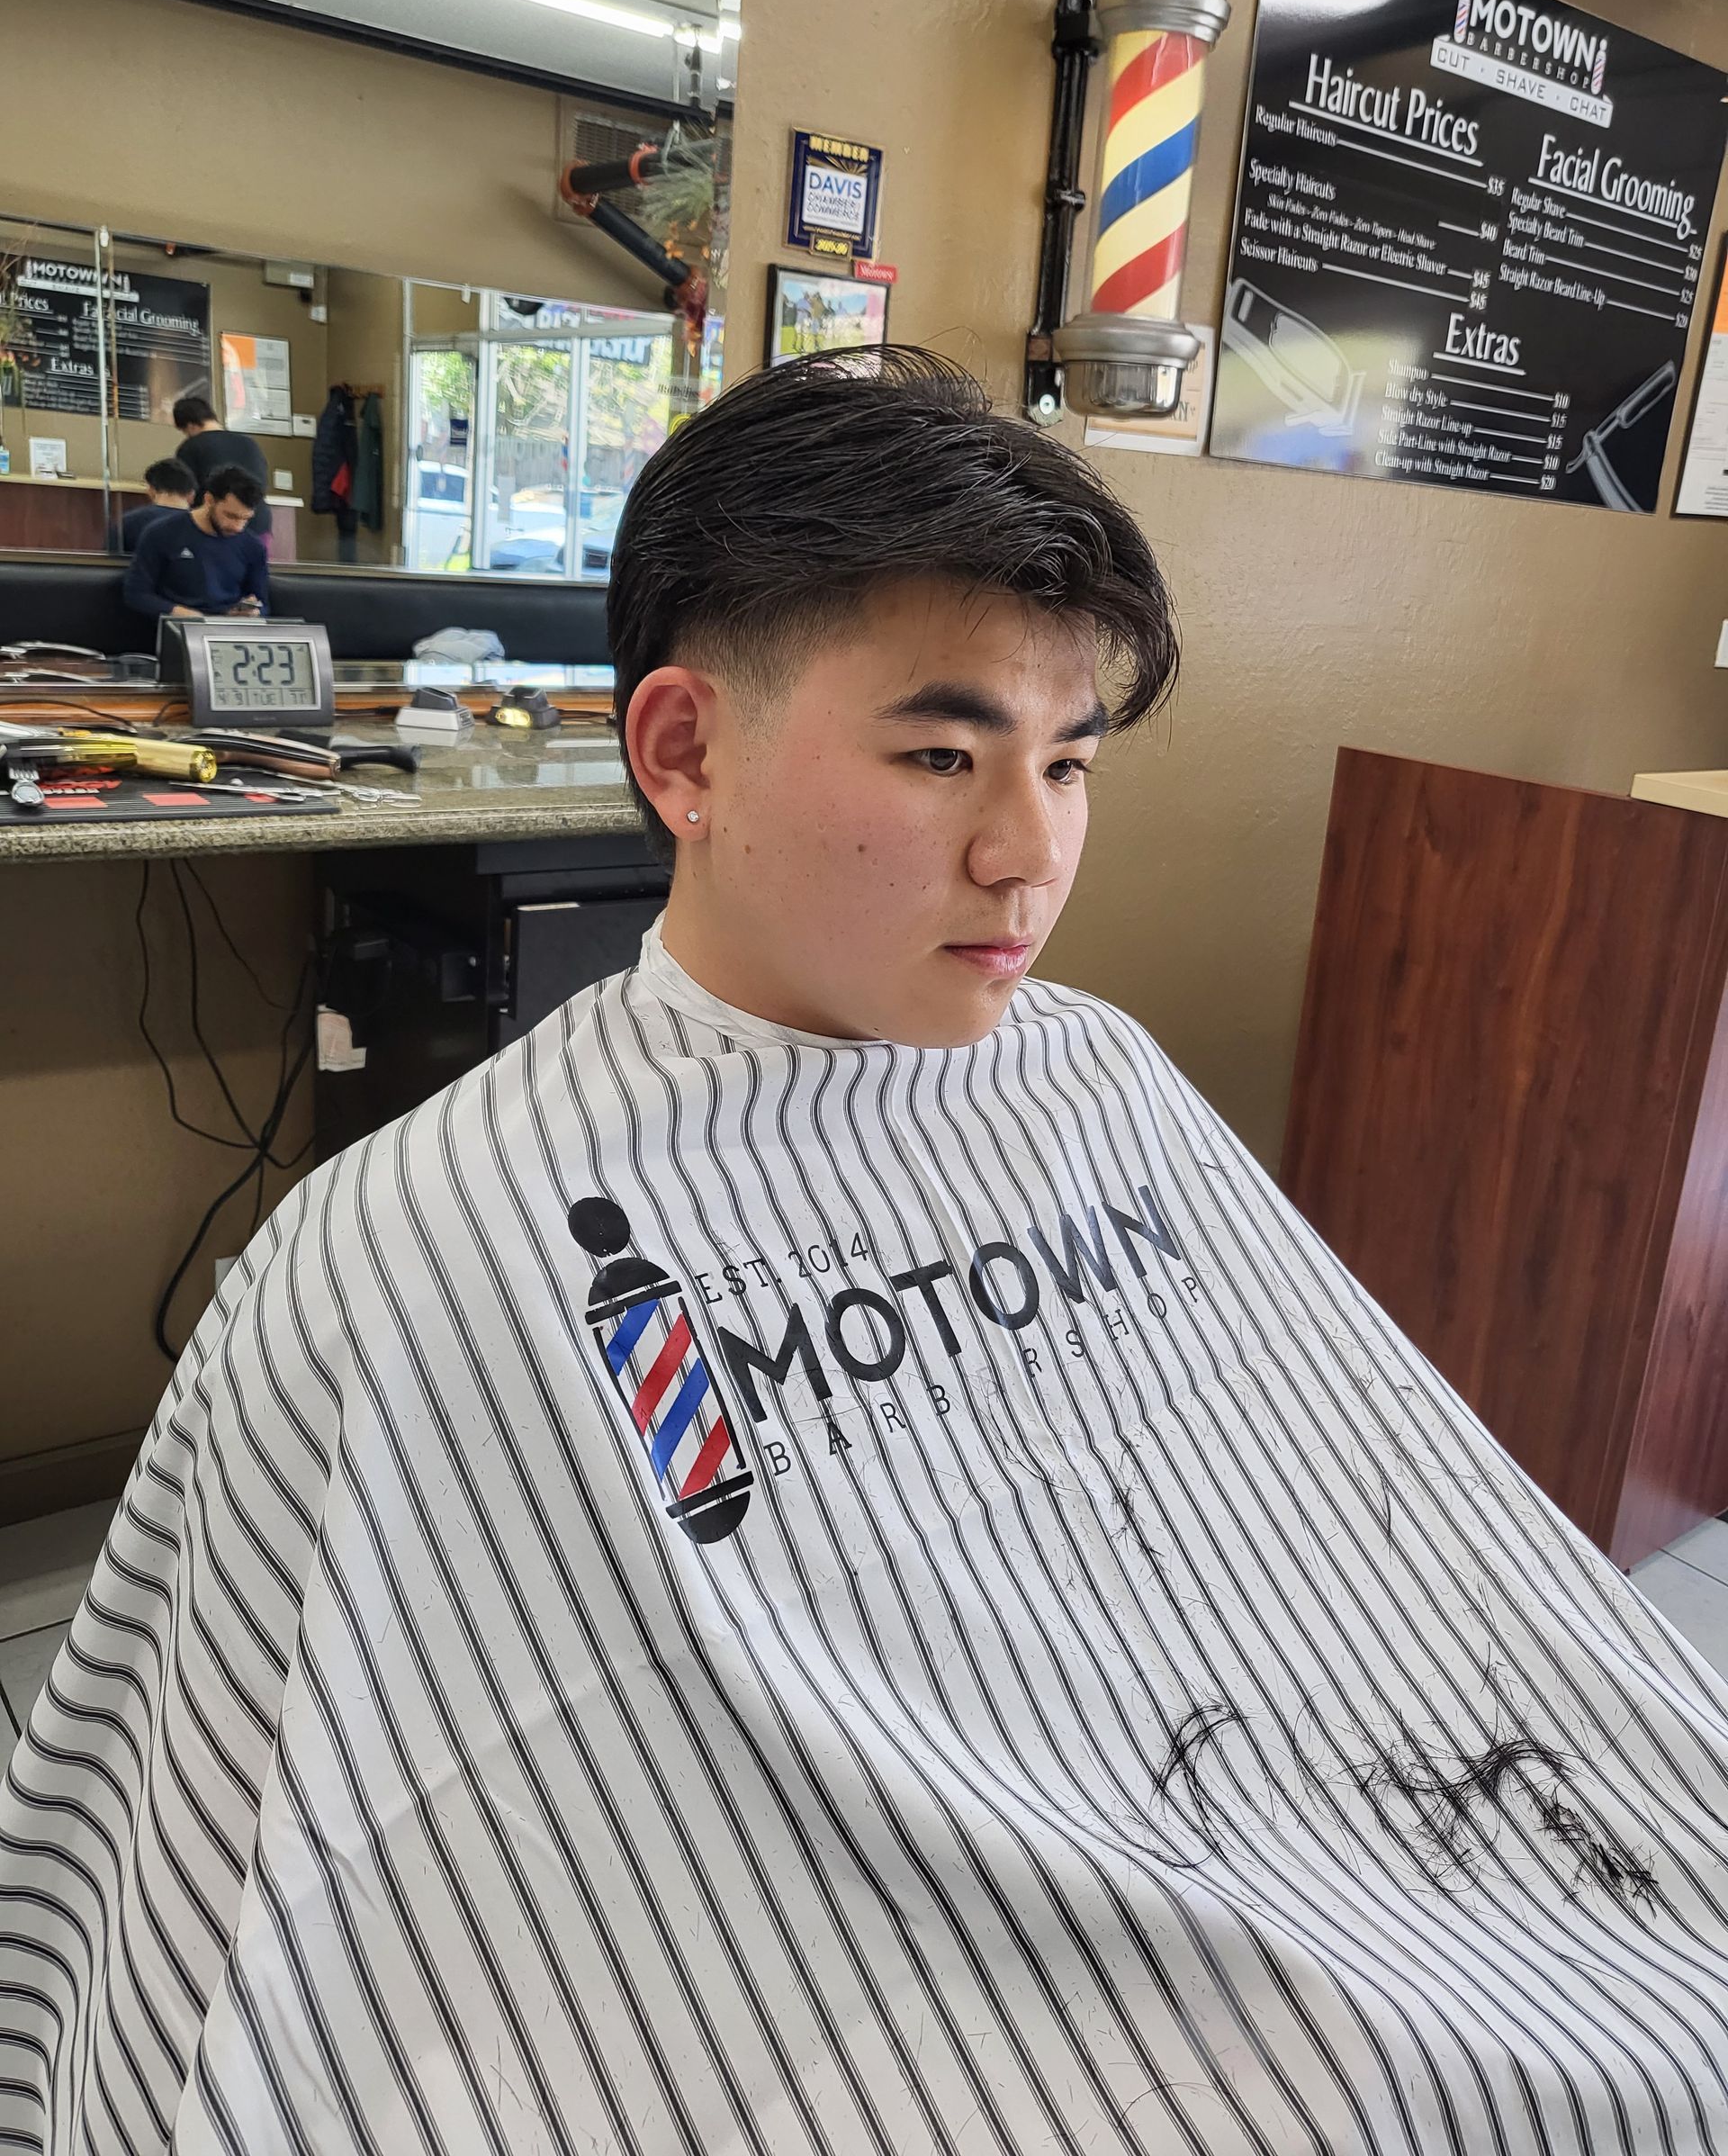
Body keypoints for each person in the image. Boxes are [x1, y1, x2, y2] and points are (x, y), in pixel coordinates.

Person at [5, 351, 1728, 2155]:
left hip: (1340, 1828)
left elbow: (1364, 1530)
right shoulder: (413, 1245)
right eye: (941, 753)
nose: (1032, 852)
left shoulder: (1098, 1075)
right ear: (683, 749)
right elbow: (277, 1865)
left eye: (1070, 761)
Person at [122, 462, 270, 619]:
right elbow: (136, 594)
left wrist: (253, 612)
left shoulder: (253, 546)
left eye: (245, 519)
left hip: (229, 628)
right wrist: (181, 613)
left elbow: (264, 604)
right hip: (178, 625)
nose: (237, 527)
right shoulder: (161, 532)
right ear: (209, 500)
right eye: (230, 516)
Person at [172, 391, 273, 539]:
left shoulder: (191, 447)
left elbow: (184, 492)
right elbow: (262, 482)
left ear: (190, 426)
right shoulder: (249, 443)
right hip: (258, 521)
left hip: (218, 526)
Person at [117, 455, 196, 553]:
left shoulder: (128, 522)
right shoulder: (205, 525)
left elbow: (109, 564)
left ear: (151, 490)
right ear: (192, 494)